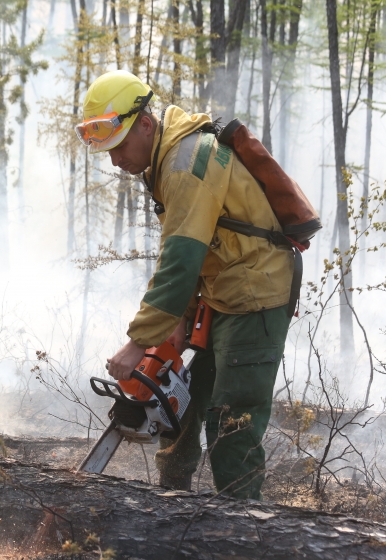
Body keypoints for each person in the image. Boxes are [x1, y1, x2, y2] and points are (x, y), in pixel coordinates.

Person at [75, 70, 294, 500]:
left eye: (118, 147)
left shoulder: (184, 163)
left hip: (254, 298)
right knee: (178, 413)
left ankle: (247, 533)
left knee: (231, 428)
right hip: (219, 294)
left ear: (144, 123)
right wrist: (178, 320)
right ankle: (170, 513)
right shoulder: (167, 158)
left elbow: (180, 262)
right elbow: (197, 250)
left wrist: (138, 343)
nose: (115, 160)